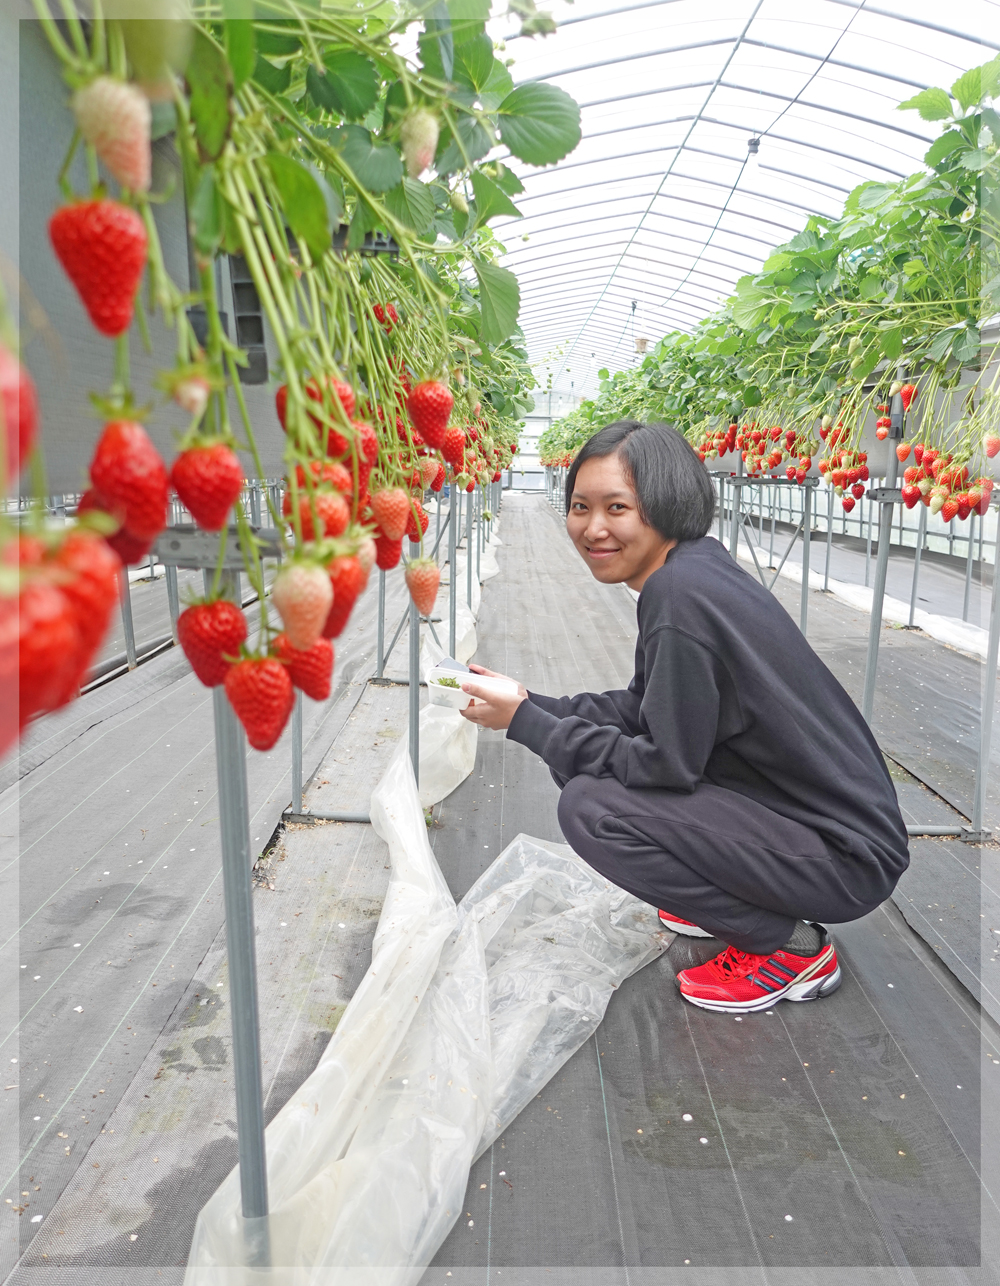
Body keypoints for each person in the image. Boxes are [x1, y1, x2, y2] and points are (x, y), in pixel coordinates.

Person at [458, 419, 910, 1014]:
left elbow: (666, 764)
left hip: (844, 858)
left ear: (665, 502)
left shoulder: (679, 597)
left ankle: (790, 948)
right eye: (579, 507)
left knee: (592, 808)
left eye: (616, 507)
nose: (593, 528)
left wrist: (528, 726)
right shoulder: (694, 573)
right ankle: (723, 895)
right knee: (583, 763)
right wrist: (531, 702)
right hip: (819, 828)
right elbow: (641, 708)